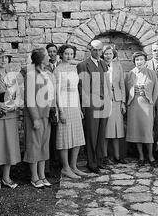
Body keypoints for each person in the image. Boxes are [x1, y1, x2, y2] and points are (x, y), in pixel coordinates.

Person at [0, 49, 22, 191]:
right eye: (0, 58)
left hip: (10, 115)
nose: (3, 60)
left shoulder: (12, 76)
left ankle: (6, 177)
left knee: (9, 146)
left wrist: (13, 107)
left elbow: (18, 96)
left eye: (6, 58)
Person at [77, 39, 112, 174]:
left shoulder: (103, 64)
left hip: (104, 103)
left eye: (99, 50)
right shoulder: (83, 65)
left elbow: (106, 84)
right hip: (92, 104)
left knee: (101, 132)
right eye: (94, 50)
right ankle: (91, 163)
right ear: (89, 50)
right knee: (92, 133)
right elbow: (81, 88)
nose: (97, 52)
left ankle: (99, 160)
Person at [23, 48, 56, 188]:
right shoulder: (31, 75)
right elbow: (29, 99)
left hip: (46, 115)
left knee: (43, 145)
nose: (50, 56)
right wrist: (35, 118)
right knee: (34, 145)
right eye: (47, 55)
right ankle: (34, 176)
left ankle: (42, 175)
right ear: (41, 58)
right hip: (35, 116)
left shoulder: (48, 73)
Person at [54, 44, 87, 179]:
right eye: (66, 53)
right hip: (64, 106)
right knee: (64, 137)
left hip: (74, 105)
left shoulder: (73, 69)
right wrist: (60, 111)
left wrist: (79, 108)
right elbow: (57, 93)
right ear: (61, 54)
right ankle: (66, 168)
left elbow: (75, 90)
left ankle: (74, 166)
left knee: (77, 137)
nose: (69, 56)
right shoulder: (58, 70)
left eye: (71, 54)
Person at [125, 51, 158, 166]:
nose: (139, 61)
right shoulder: (130, 74)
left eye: (141, 59)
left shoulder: (151, 73)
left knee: (147, 131)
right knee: (136, 130)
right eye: (137, 60)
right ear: (134, 61)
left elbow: (156, 90)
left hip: (147, 105)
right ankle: (141, 156)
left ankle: (150, 156)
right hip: (134, 105)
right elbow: (126, 89)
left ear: (145, 61)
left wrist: (152, 104)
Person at [101, 45, 128, 165]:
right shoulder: (100, 65)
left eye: (110, 53)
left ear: (113, 55)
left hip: (117, 100)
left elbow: (122, 84)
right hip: (105, 100)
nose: (108, 56)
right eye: (106, 53)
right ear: (103, 55)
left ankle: (118, 156)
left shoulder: (118, 66)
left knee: (118, 129)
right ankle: (105, 156)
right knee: (106, 129)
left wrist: (123, 102)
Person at [44, 43, 60, 175]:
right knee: (49, 137)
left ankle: (58, 162)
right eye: (49, 52)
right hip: (49, 103)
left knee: (58, 135)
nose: (52, 54)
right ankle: (48, 166)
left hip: (61, 103)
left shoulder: (61, 65)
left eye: (54, 51)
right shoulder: (44, 67)